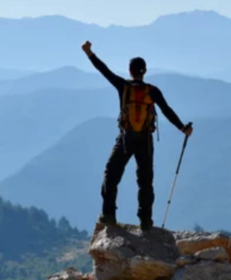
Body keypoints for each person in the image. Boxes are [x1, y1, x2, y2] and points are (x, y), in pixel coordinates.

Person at [82, 40, 193, 231]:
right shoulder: (152, 91)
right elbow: (167, 110)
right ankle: (145, 221)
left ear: (130, 70)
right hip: (145, 140)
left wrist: (88, 52)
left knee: (111, 173)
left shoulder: (123, 86)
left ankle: (108, 216)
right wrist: (183, 128)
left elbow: (103, 69)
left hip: (126, 138)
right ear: (145, 71)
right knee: (145, 181)